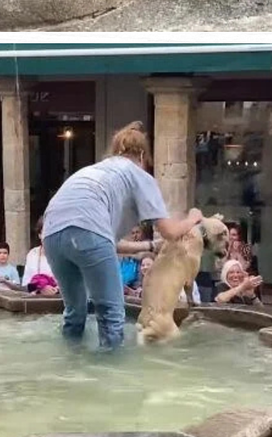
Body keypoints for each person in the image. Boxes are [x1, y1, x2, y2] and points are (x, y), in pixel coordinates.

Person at [39, 121, 204, 348]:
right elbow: (170, 231)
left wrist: (148, 246)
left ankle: (69, 364)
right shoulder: (139, 175)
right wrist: (192, 218)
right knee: (111, 315)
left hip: (51, 233)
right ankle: (110, 376)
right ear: (143, 154)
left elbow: (103, 243)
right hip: (88, 232)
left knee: (75, 311)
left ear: (116, 151)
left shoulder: (95, 170)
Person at [24, 218, 58, 296]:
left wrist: (56, 290)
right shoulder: (32, 254)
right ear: (40, 235)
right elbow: (26, 284)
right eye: (45, 232)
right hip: (35, 300)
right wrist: (40, 287)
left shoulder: (64, 254)